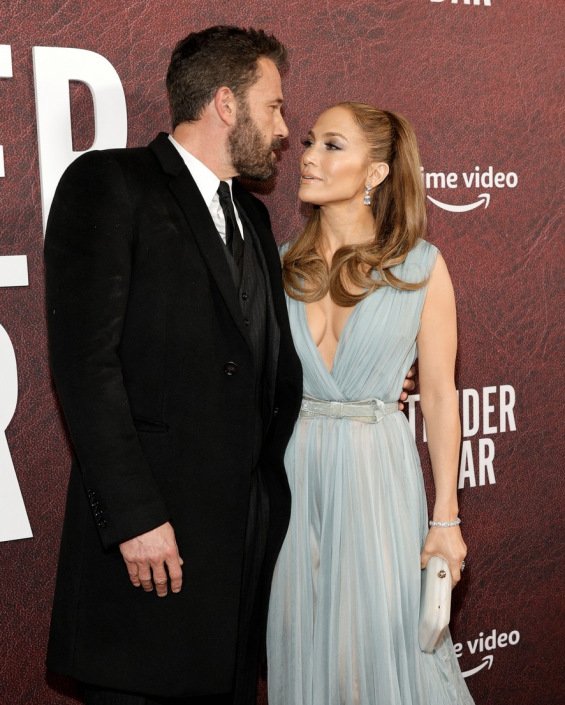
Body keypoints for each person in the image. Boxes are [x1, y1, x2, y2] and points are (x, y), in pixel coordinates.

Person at [44, 26, 304, 705]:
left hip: (235, 563)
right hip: (152, 552)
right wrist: (132, 517)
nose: (282, 128)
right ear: (225, 103)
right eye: (273, 106)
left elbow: (260, 361)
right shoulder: (111, 184)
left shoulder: (249, 215)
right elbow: (85, 365)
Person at [266, 102, 475, 705]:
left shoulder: (420, 268)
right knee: (302, 646)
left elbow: (438, 394)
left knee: (379, 655)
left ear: (376, 174)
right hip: (293, 478)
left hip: (377, 477)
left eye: (333, 146)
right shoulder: (276, 264)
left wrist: (446, 518)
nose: (306, 156)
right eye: (308, 141)